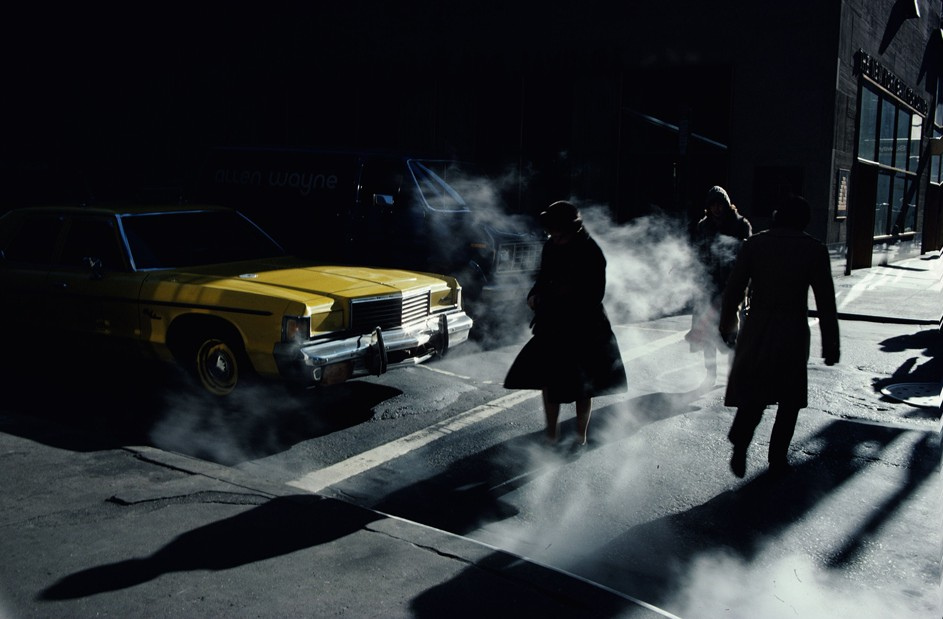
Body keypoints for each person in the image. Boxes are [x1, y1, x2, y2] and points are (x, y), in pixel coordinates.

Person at [719, 194, 840, 478]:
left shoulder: (755, 244)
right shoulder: (814, 250)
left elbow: (734, 290)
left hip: (758, 328)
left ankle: (740, 440)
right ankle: (777, 458)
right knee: (789, 398)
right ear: (804, 220)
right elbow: (826, 302)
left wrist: (728, 325)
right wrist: (831, 344)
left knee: (755, 392)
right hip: (793, 331)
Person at [504, 200, 627, 447]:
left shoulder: (592, 251)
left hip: (586, 328)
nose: (555, 237)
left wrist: (563, 294)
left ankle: (580, 436)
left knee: (584, 386)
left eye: (559, 233)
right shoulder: (550, 246)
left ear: (574, 229)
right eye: (552, 232)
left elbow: (594, 295)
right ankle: (551, 435)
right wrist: (534, 295)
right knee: (550, 381)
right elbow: (542, 278)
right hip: (552, 325)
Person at [686, 186, 752, 380]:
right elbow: (698, 253)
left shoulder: (740, 224)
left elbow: (748, 255)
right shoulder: (703, 226)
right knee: (707, 333)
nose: (717, 209)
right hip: (708, 286)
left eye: (720, 204)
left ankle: (734, 371)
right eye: (713, 205)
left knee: (732, 331)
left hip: (733, 287)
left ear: (726, 204)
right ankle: (710, 373)